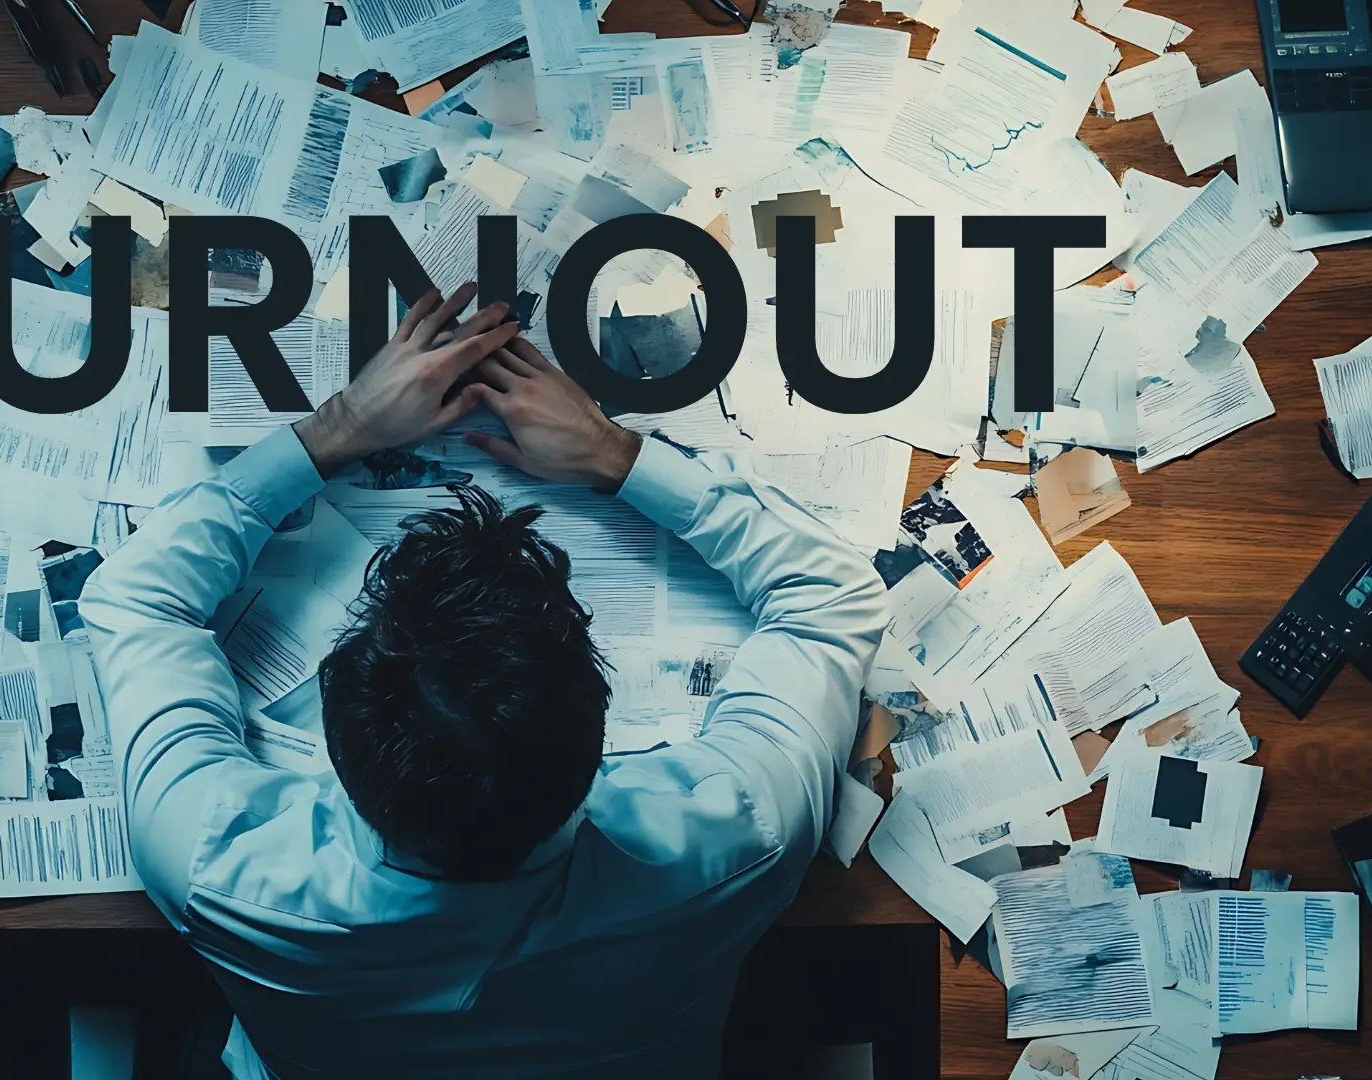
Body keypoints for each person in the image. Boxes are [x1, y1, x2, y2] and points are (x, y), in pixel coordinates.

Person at [80, 282, 888, 1079]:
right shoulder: (740, 838)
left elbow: (134, 596)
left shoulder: (214, 864)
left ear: (337, 737)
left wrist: (343, 426)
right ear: (605, 734)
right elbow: (832, 594)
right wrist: (612, 452)